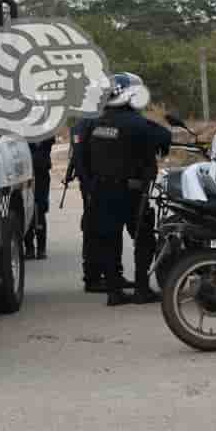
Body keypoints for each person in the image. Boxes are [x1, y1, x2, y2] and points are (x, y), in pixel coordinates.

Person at [80, 73, 171, 306]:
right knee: (144, 238)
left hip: (101, 190)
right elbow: (164, 136)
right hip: (131, 192)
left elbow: (82, 158)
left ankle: (114, 291)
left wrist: (90, 186)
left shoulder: (94, 122)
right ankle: (141, 289)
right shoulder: (137, 123)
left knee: (108, 239)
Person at [70, 119, 131, 293]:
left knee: (112, 229)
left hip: (106, 184)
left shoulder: (101, 120)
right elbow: (80, 160)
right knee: (94, 230)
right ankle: (93, 277)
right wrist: (89, 187)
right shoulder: (85, 124)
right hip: (94, 186)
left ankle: (113, 274)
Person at [24, 135, 54, 260]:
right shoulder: (23, 131)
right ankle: (29, 248)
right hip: (27, 175)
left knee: (40, 210)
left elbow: (49, 142)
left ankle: (41, 249)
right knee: (27, 210)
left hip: (41, 174)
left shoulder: (46, 131)